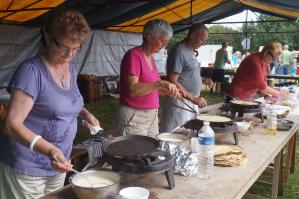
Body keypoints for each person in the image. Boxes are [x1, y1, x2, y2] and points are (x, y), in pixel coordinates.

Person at [0, 9, 100, 199]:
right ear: (47, 36)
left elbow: (69, 102)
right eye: (63, 47)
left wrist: (85, 114)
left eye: (76, 47)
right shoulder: (31, 72)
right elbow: (11, 124)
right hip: (26, 166)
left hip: (59, 162)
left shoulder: (69, 68)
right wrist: (51, 150)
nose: (70, 54)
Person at [117, 19, 181, 137]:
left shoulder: (150, 57)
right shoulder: (133, 55)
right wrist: (160, 83)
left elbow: (152, 89)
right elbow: (133, 89)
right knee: (135, 154)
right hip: (135, 116)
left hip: (151, 116)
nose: (164, 45)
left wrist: (169, 92)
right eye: (162, 41)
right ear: (149, 37)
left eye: (166, 42)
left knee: (152, 152)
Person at [160, 23, 213, 133]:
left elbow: (187, 72)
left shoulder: (191, 50)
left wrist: (203, 80)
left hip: (189, 99)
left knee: (187, 133)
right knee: (175, 133)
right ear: (193, 35)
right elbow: (173, 80)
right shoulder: (179, 51)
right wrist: (192, 98)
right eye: (202, 40)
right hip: (180, 101)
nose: (203, 44)